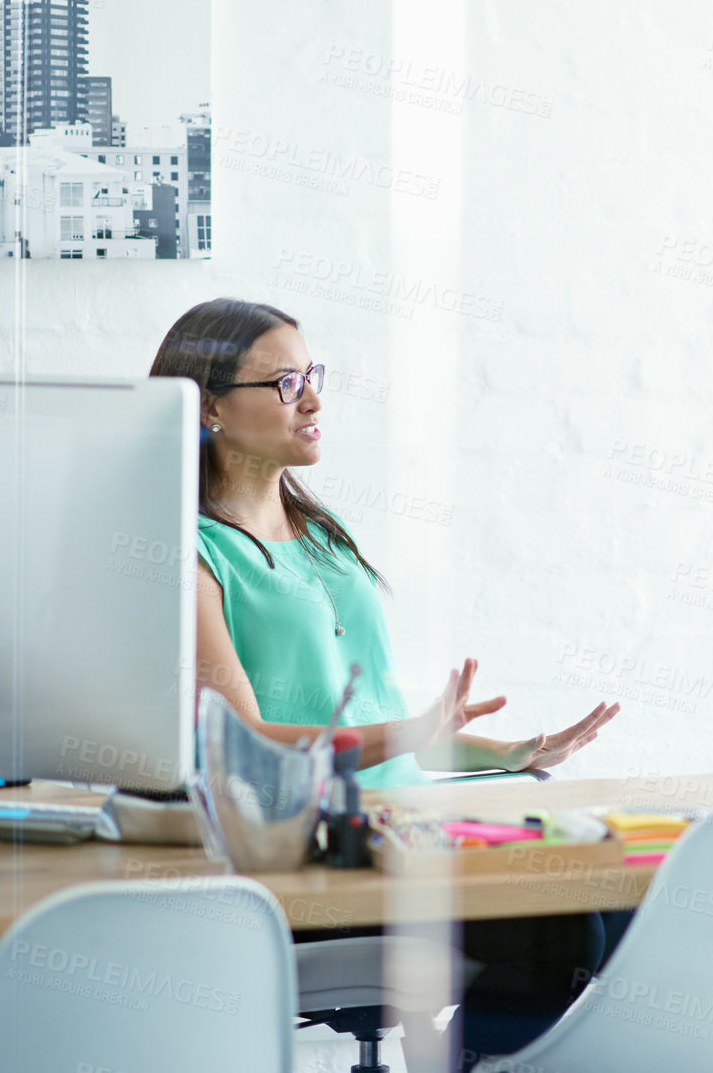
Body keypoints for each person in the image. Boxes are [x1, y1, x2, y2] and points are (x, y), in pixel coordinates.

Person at [149, 298, 622, 1070]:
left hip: (408, 830)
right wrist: (407, 734)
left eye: (313, 375)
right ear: (209, 407)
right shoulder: (193, 551)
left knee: (622, 899)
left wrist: (505, 752)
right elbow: (245, 743)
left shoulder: (324, 537)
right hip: (315, 854)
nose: (314, 400)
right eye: (285, 382)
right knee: (561, 929)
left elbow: (378, 729)